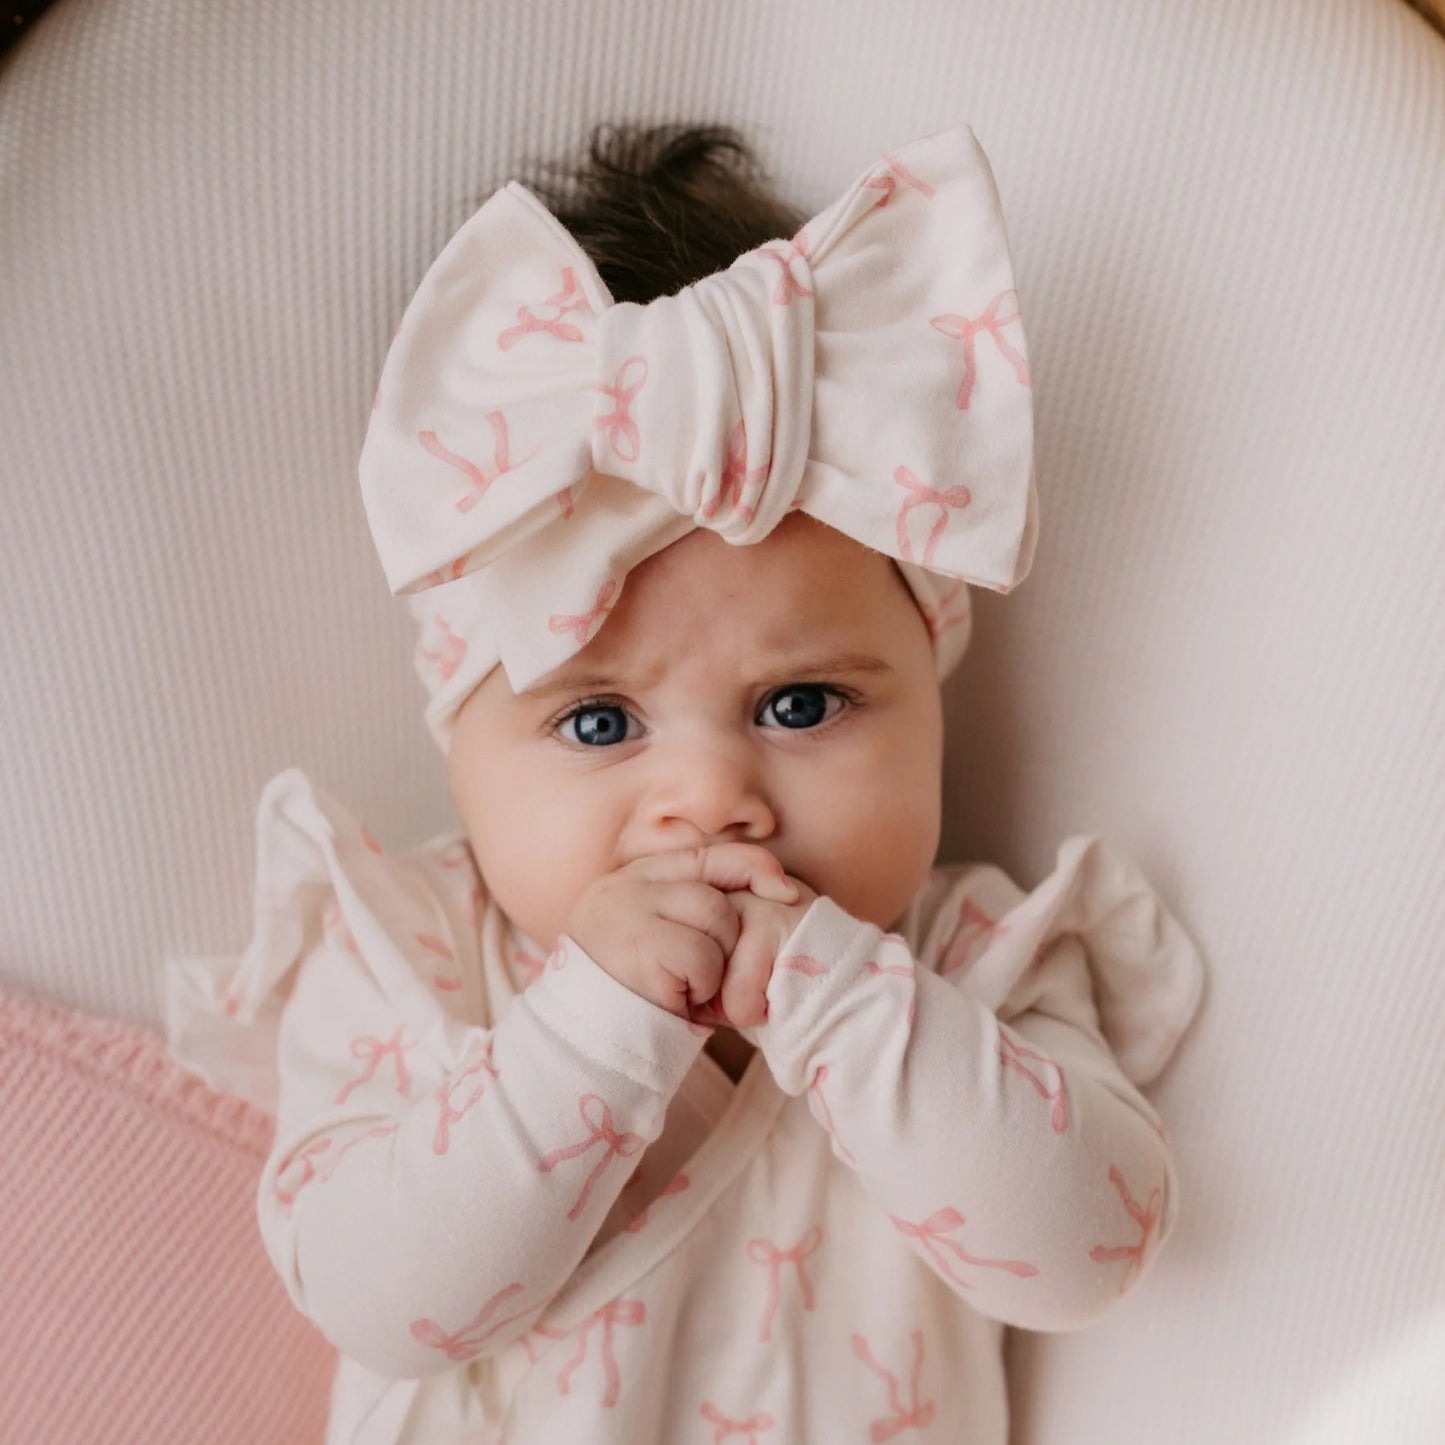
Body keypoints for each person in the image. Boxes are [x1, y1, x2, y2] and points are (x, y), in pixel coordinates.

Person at [166, 120, 1205, 1445]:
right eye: (600, 722)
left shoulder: (971, 964)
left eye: (799, 703)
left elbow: (1088, 1249)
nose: (712, 797)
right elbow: (378, 1300)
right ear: (456, 739)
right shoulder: (405, 951)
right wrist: (589, 1030)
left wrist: (845, 1003)